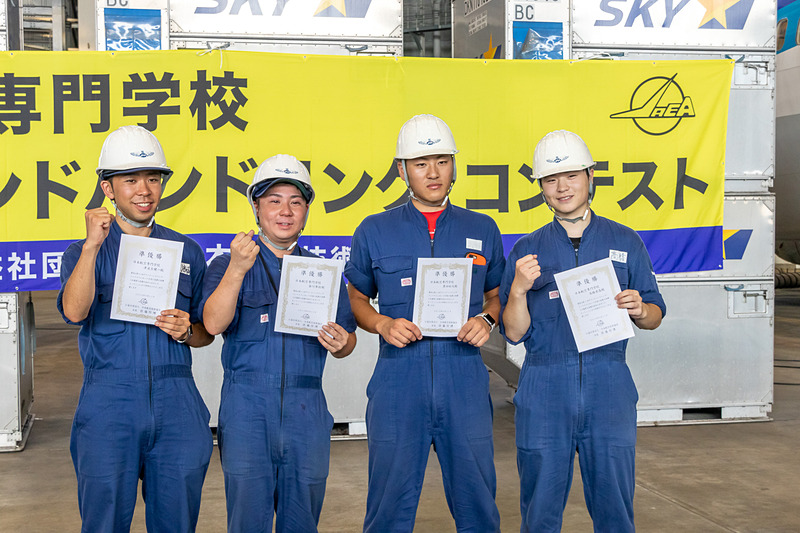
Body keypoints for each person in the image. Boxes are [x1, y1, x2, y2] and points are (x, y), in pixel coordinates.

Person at [500, 130, 667, 532]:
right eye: (551, 180)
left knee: (614, 503)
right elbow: (513, 332)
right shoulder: (527, 248)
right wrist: (519, 290)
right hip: (544, 385)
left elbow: (655, 312)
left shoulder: (624, 240)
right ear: (541, 187)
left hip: (608, 383)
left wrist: (640, 309)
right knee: (539, 506)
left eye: (571, 175)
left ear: (591, 176)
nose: (562, 187)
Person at [345, 114, 505, 532]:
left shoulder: (482, 228)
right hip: (398, 382)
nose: (432, 173)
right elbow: (356, 297)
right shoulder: (374, 230)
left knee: (478, 503)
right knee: (387, 506)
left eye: (441, 161)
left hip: (465, 380)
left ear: (454, 165)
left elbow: (497, 294)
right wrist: (381, 324)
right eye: (420, 163)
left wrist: (487, 319)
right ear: (402, 170)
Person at [57, 125, 214, 532]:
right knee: (104, 520)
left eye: (153, 178)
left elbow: (205, 334)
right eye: (130, 180)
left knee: (177, 521)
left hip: (177, 401)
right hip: (110, 403)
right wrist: (92, 245)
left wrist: (186, 330)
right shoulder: (81, 252)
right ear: (108, 188)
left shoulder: (187, 251)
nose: (144, 189)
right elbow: (74, 312)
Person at [200, 154, 357, 532]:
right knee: (247, 519)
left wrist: (342, 342)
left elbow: (349, 340)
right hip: (247, 409)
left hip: (307, 409)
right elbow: (211, 323)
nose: (285, 211)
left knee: (303, 518)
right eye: (274, 201)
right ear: (256, 207)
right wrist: (238, 268)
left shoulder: (322, 272)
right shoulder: (227, 264)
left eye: (296, 202)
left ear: (305, 211)